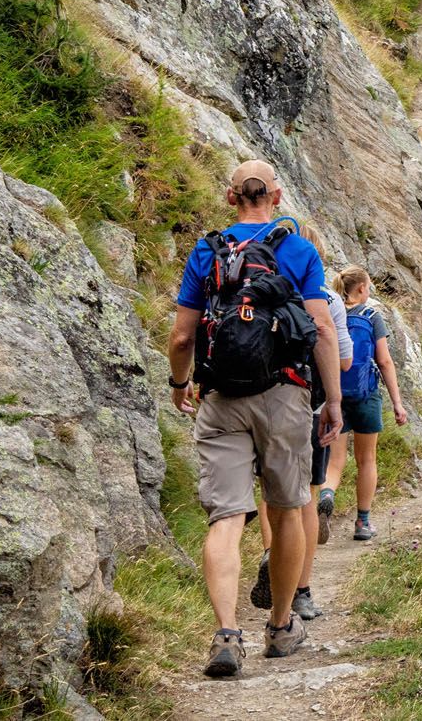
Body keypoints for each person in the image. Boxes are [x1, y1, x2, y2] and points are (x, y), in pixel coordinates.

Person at [168, 160, 341, 679]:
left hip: (220, 396)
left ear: (230, 197)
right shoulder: (298, 249)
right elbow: (323, 327)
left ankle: (226, 634)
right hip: (285, 393)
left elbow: (181, 336)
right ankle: (281, 627)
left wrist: (181, 385)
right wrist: (332, 400)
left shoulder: (208, 251)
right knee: (288, 509)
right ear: (277, 195)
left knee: (225, 518)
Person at [251, 269, 352, 621]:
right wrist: (335, 402)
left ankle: (270, 553)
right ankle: (302, 590)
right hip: (307, 406)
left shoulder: (251, 287)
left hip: (254, 401)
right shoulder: (329, 298)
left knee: (269, 491)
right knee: (306, 494)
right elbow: (343, 360)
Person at [323, 265, 410, 541]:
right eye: (369, 287)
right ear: (361, 288)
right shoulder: (372, 316)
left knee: (335, 461)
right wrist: (397, 403)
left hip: (332, 395)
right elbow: (384, 361)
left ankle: (326, 495)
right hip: (366, 394)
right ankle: (362, 523)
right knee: (366, 459)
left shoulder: (329, 313)